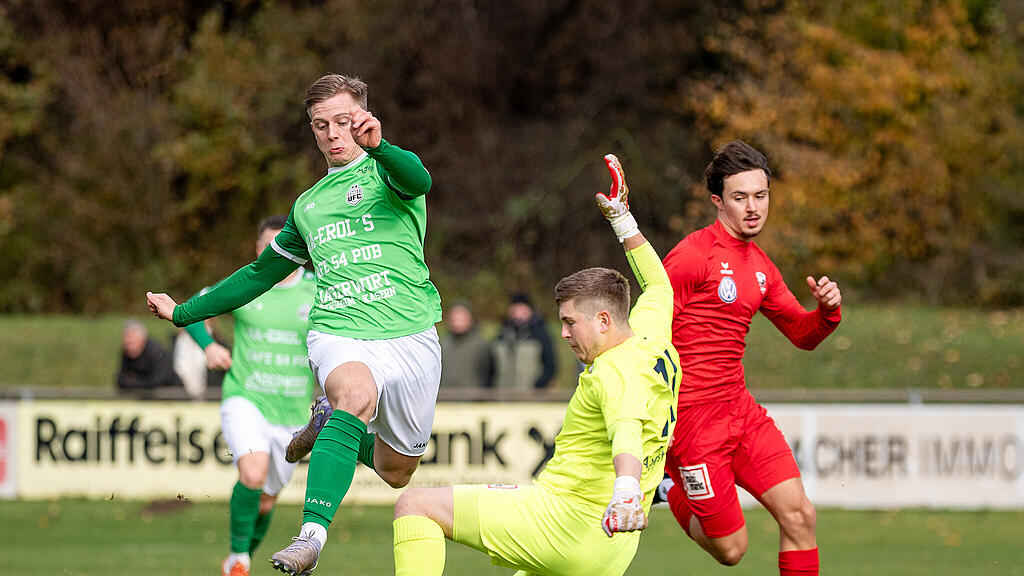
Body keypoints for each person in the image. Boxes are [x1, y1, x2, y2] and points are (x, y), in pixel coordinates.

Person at [145, 74, 442, 576]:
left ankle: (326, 427)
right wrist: (184, 314)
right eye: (321, 125)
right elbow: (261, 273)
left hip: (412, 334)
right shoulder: (308, 205)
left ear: (362, 119)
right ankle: (311, 536)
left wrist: (383, 147)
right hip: (340, 329)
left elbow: (421, 180)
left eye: (343, 122)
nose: (332, 134)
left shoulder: (389, 174)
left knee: (398, 472)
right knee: (354, 396)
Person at [390, 154, 679, 576]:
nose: (563, 334)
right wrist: (623, 220)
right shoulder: (653, 337)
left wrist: (628, 488)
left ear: (603, 319)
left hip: (565, 521)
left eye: (569, 322)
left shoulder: (614, 371)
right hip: (611, 546)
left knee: (415, 505)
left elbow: (627, 430)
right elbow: (658, 284)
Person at [660, 141, 842, 576]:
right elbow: (648, 329)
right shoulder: (691, 256)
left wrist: (828, 313)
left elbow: (802, 334)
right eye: (740, 198)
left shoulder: (761, 266)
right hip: (693, 422)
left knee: (800, 516)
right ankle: (671, 487)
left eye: (760, 196)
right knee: (732, 550)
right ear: (718, 201)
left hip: (741, 413)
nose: (753, 207)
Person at [181, 215, 318, 576]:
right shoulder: (247, 285)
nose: (277, 253)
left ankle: (238, 562)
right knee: (253, 475)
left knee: (265, 501)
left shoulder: (319, 291)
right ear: (259, 250)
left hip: (293, 413)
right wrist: (208, 346)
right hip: (246, 398)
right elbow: (192, 310)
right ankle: (239, 559)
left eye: (284, 247)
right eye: (269, 247)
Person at [491, 292, 557, 389]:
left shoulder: (541, 336)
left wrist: (538, 386)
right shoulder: (500, 336)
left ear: (530, 310)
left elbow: (550, 366)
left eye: (522, 308)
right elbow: (491, 367)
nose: (518, 313)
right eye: (515, 308)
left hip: (530, 398)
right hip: (502, 396)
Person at [116, 318, 181, 394]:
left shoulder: (157, 352)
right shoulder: (126, 353)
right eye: (127, 344)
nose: (129, 347)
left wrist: (133, 380)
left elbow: (157, 382)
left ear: (142, 339)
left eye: (131, 343)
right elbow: (120, 380)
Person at [439, 301, 494, 388]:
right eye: (455, 318)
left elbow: (489, 375)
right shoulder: (441, 344)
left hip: (472, 399)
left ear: (470, 319)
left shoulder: (482, 345)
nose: (457, 322)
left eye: (461, 318)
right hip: (445, 398)